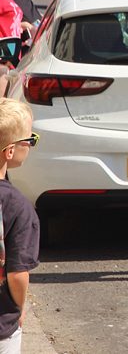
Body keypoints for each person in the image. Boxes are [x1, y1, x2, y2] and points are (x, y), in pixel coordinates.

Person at [0, 100, 40, 353]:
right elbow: (17, 274)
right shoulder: (17, 206)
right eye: (30, 139)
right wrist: (19, 308)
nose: (32, 144)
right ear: (10, 151)